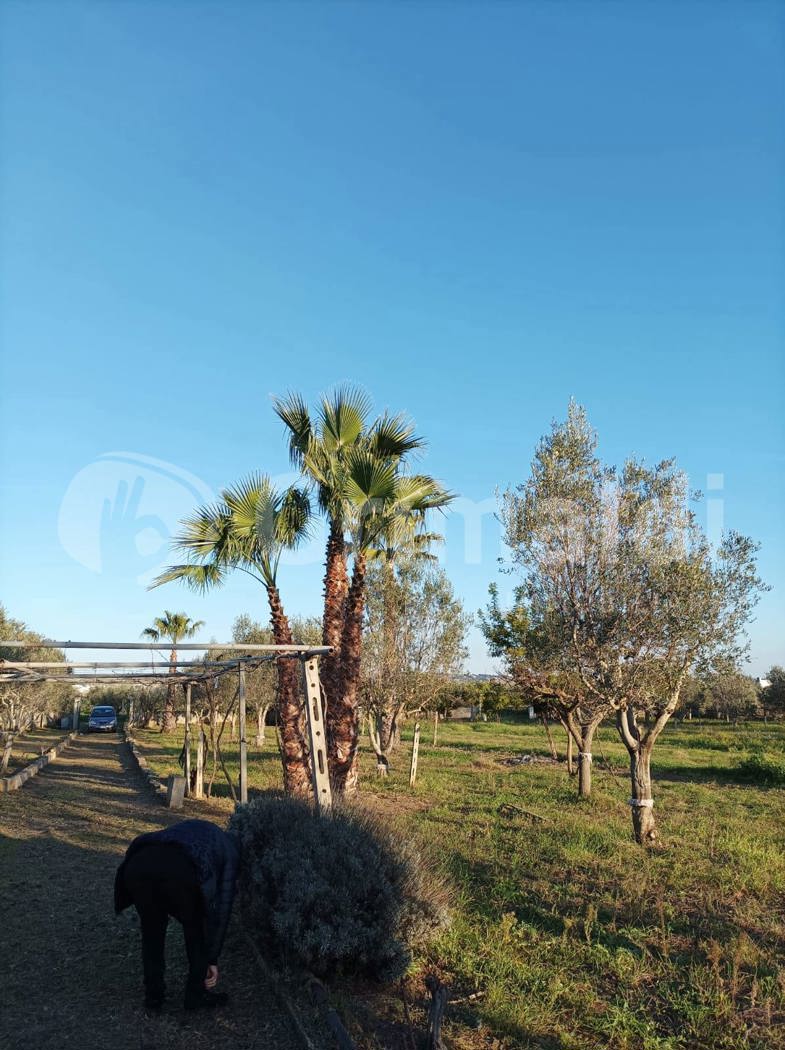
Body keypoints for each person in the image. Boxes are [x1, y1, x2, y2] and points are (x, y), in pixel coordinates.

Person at [114, 819, 241, 1011]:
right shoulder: (230, 853)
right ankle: (195, 997)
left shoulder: (204, 829)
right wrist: (212, 959)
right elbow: (221, 912)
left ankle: (153, 999)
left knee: (152, 932)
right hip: (178, 872)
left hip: (138, 863)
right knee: (197, 929)